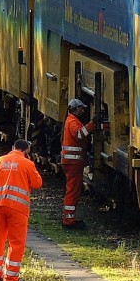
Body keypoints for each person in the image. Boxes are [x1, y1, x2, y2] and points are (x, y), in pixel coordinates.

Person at [0, 138, 43, 281]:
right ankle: (11, 278)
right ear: (26, 151)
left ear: (13, 147)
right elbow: (38, 184)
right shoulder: (27, 163)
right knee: (16, 242)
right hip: (17, 209)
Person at [61, 98, 96, 230]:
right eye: (81, 108)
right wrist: (92, 124)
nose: (83, 110)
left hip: (73, 162)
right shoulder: (72, 121)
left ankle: (69, 218)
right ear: (75, 109)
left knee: (74, 190)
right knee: (73, 191)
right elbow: (80, 135)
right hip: (73, 162)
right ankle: (68, 221)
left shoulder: (71, 120)